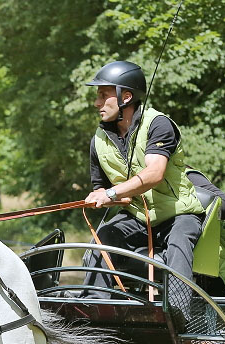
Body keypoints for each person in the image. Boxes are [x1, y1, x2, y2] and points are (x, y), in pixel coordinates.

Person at [80, 60, 208, 298]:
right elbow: (104, 191)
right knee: (104, 237)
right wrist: (103, 198)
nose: (97, 103)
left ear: (125, 97)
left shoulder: (158, 124)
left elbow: (154, 174)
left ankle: (179, 314)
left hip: (179, 213)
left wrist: (111, 194)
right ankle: (93, 311)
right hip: (139, 217)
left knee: (179, 242)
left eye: (103, 95)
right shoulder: (99, 140)